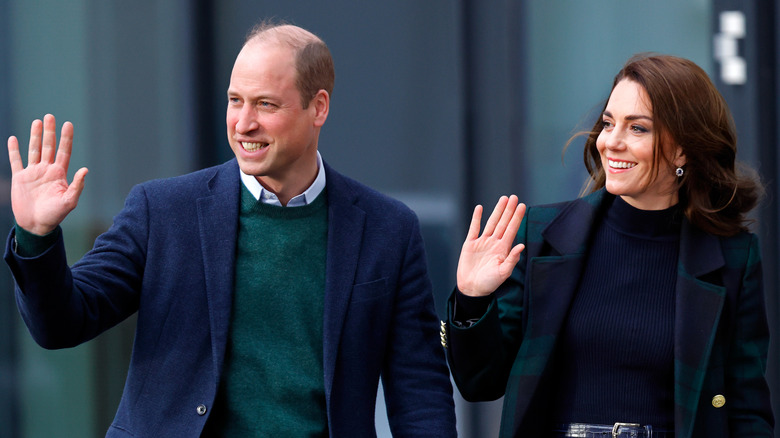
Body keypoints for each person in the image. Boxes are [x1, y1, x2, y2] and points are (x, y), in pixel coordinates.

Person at [5, 21, 456, 437]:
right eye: (235, 100)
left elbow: (420, 391)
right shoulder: (162, 211)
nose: (243, 123)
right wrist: (36, 237)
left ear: (318, 107)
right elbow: (61, 324)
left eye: (265, 104)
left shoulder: (387, 230)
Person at [444, 54, 773, 437]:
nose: (611, 142)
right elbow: (479, 383)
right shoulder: (542, 237)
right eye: (608, 123)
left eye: (638, 129)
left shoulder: (732, 256)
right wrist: (471, 300)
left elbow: (747, 409)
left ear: (683, 149)